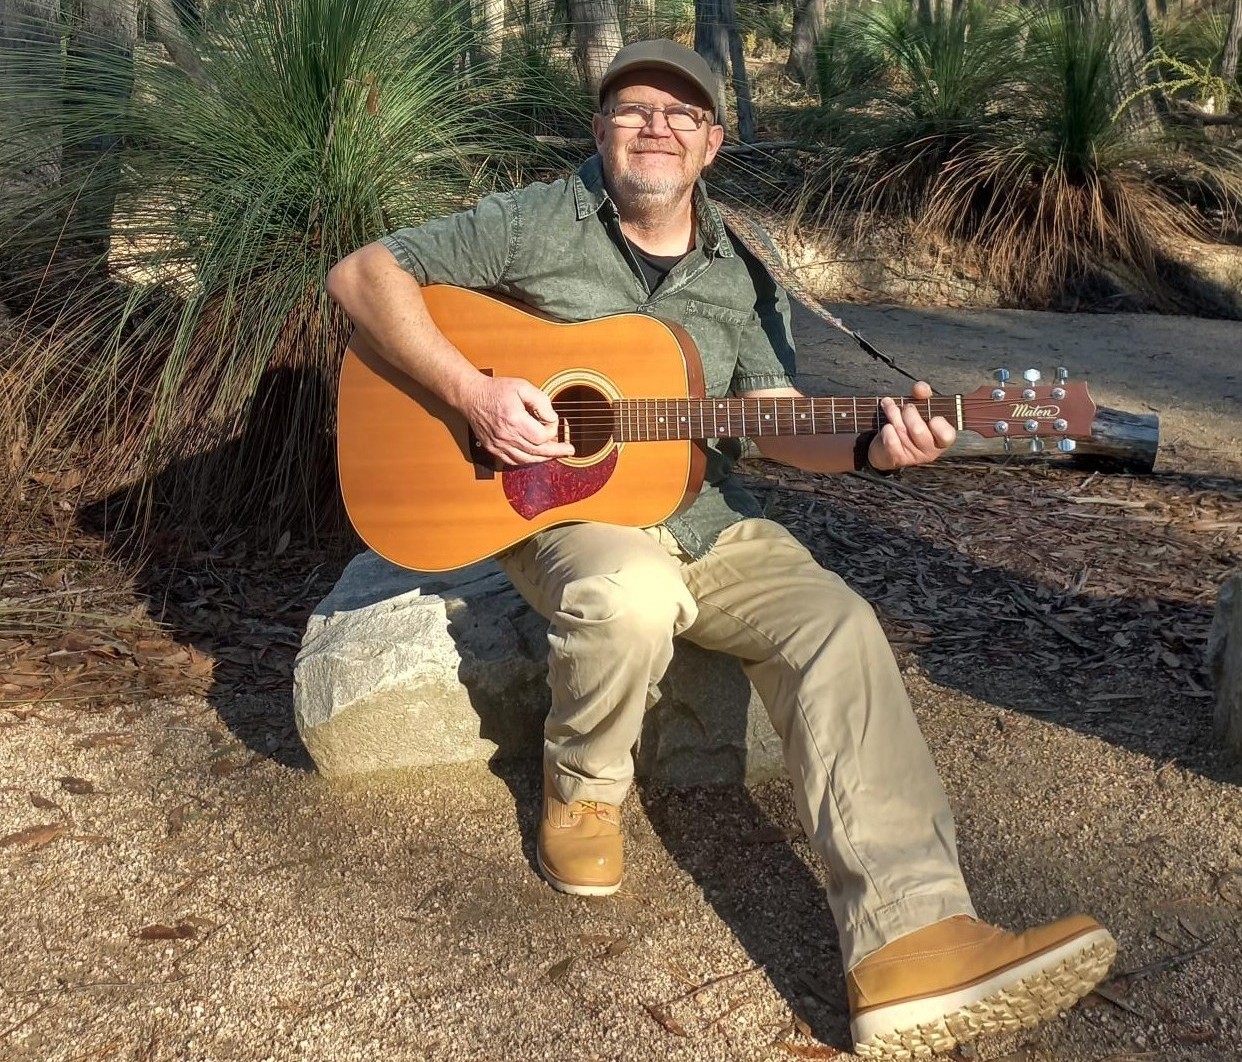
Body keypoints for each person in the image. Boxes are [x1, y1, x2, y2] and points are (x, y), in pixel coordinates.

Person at [327, 38, 1115, 1060]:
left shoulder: (746, 266)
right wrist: (473, 392)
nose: (655, 124)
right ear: (599, 129)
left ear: (712, 143)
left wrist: (879, 444)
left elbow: (778, 419)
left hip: (712, 514)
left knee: (838, 624)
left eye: (681, 112)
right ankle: (585, 790)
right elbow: (364, 274)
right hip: (568, 517)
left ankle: (912, 942)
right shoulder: (535, 218)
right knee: (628, 591)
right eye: (631, 107)